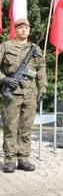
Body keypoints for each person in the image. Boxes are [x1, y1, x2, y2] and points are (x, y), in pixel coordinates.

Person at [0, 18, 47, 173]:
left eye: (26, 27)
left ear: (29, 30)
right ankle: (10, 160)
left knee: (26, 128)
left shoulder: (35, 48)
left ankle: (23, 159)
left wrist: (43, 89)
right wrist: (5, 79)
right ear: (16, 29)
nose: (23, 30)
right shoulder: (6, 46)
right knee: (10, 127)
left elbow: (41, 70)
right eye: (20, 27)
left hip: (30, 94)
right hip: (11, 94)